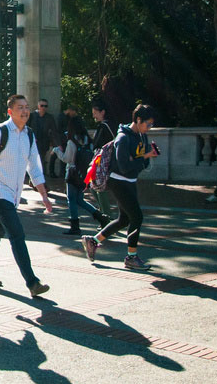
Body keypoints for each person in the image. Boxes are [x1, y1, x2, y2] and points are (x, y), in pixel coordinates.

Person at [0, 95, 54, 298]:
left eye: (27, 107)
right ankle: (32, 282)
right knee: (17, 235)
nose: (25, 111)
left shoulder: (29, 135)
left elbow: (34, 167)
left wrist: (44, 195)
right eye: (20, 108)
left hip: (14, 194)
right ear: (10, 111)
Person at [81, 104, 160, 270]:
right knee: (137, 217)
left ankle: (93, 241)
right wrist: (143, 157)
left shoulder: (141, 136)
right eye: (148, 124)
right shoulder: (123, 138)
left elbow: (142, 165)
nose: (149, 127)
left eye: (152, 124)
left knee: (124, 219)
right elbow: (124, 166)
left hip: (130, 181)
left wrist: (147, 156)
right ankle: (131, 257)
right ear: (138, 120)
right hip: (118, 181)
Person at [53, 116, 109, 235]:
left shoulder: (71, 141)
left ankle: (75, 226)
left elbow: (67, 158)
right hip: (84, 174)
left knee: (72, 200)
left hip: (72, 174)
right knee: (79, 199)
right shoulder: (88, 140)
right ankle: (101, 217)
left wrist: (57, 151)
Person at [90, 101, 115, 219]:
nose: (94, 115)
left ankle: (106, 216)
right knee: (95, 186)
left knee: (99, 187)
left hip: (104, 161)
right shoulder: (102, 126)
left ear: (103, 112)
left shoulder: (106, 126)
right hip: (100, 160)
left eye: (96, 113)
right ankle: (104, 213)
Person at [32, 99, 58, 179]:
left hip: (43, 143)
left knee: (41, 160)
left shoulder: (49, 117)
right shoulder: (32, 116)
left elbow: (54, 131)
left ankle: (40, 179)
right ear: (38, 106)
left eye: (45, 106)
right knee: (33, 161)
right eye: (42, 105)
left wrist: (56, 144)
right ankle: (33, 178)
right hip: (33, 142)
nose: (43, 108)